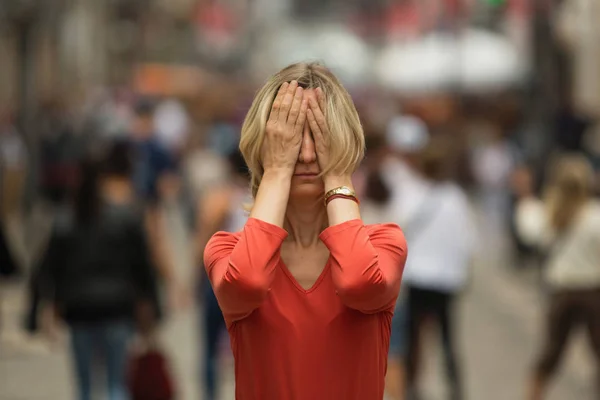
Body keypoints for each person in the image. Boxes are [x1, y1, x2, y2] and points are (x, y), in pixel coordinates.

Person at [203, 62, 408, 399]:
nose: (309, 154)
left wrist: (339, 173)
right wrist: (277, 171)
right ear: (265, 146)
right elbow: (248, 281)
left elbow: (359, 282)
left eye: (321, 137)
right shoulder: (226, 250)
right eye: (292, 139)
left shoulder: (384, 243)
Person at [36, 142, 160, 400]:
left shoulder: (64, 220)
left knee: (85, 387)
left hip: (79, 309)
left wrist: (43, 308)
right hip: (117, 307)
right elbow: (143, 267)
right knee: (116, 383)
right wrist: (151, 306)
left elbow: (48, 268)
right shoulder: (125, 217)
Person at [516, 154, 600, 400]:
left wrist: (525, 196)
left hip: (561, 290)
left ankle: (534, 394)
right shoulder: (594, 216)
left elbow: (529, 232)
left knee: (552, 351)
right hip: (593, 290)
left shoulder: (550, 214)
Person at [400, 136, 476, 400]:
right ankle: (454, 387)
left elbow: (398, 231)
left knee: (414, 336)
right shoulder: (456, 198)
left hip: (418, 274)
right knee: (447, 336)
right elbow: (468, 241)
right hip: (447, 277)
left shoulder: (412, 195)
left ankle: (412, 386)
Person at [195, 149, 251, 400]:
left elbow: (203, 236)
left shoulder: (221, 196)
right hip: (250, 277)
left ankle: (210, 394)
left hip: (218, 276)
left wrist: (193, 273)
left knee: (208, 345)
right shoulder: (263, 196)